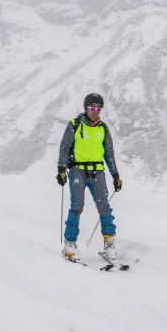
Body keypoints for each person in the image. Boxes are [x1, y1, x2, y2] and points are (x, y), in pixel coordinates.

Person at [57, 93, 123, 263]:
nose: (95, 111)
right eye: (92, 108)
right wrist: (61, 169)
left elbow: (109, 154)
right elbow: (65, 147)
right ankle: (70, 245)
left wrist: (115, 175)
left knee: (105, 208)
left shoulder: (103, 128)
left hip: (98, 172)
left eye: (98, 108)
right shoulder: (75, 125)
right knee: (77, 206)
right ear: (86, 108)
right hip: (77, 170)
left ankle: (109, 244)